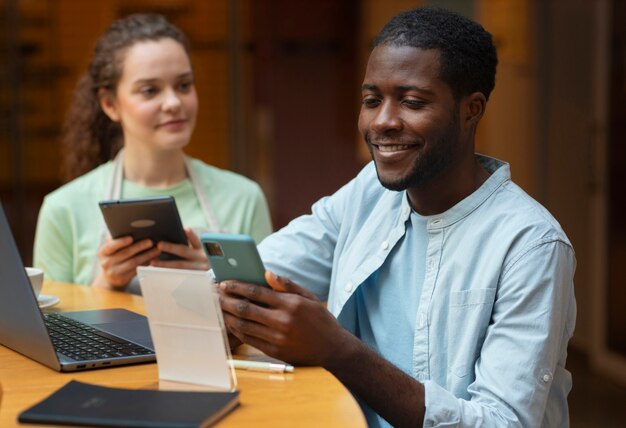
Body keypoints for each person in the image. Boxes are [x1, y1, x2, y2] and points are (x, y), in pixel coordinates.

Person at [217, 7, 576, 427]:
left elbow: (502, 422)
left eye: (412, 101)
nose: (382, 122)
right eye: (372, 100)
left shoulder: (530, 244)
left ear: (471, 110)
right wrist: (234, 304)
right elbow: (266, 268)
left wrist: (337, 349)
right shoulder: (370, 191)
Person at [33, 13, 272, 291]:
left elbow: (267, 318)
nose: (173, 102)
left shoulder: (244, 198)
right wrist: (106, 283)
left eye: (183, 85)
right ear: (110, 104)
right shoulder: (63, 208)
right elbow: (50, 330)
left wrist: (219, 280)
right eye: (150, 90)